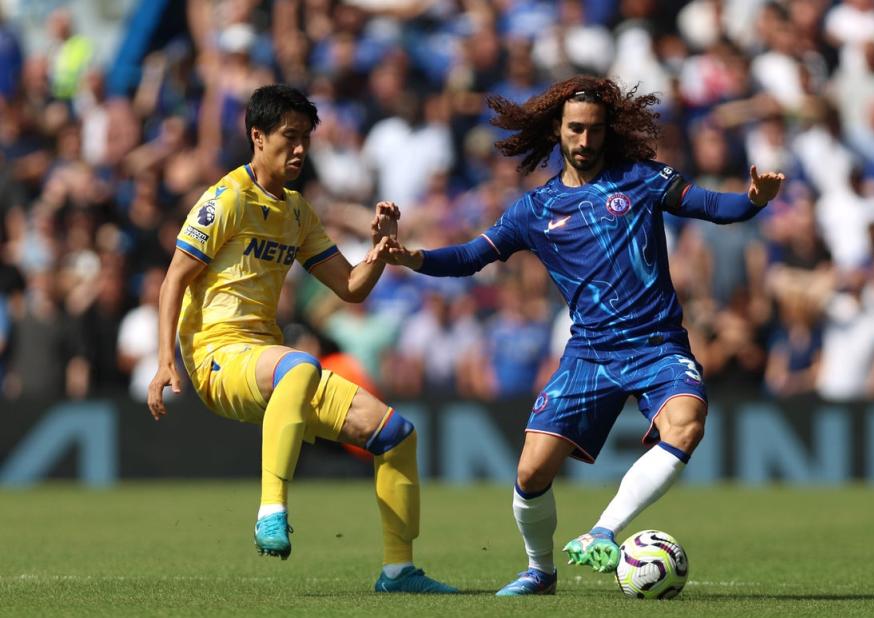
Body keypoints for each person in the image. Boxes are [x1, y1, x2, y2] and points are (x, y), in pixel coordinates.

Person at [371, 75, 785, 596]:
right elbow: (471, 257)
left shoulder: (642, 179)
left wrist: (752, 199)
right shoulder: (534, 210)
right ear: (557, 131)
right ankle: (539, 571)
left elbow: (709, 204)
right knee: (530, 473)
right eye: (575, 130)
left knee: (687, 424)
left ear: (607, 131)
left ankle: (605, 531)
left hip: (658, 345)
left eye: (593, 130)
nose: (585, 141)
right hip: (591, 353)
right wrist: (413, 257)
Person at [146, 84, 455, 594]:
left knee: (397, 435)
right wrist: (165, 361)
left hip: (266, 358)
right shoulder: (226, 198)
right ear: (257, 136)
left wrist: (379, 251)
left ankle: (399, 572)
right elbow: (174, 279)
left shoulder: (297, 212)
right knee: (301, 364)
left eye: (306, 139)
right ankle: (271, 510)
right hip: (216, 357)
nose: (299, 150)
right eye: (289, 137)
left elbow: (350, 288)